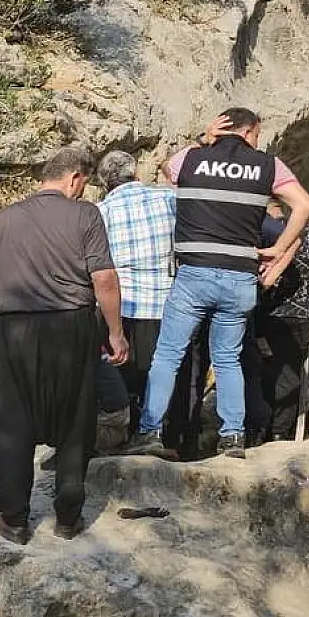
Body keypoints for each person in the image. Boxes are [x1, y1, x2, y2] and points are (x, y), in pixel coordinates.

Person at [125, 108, 309, 460]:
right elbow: (304, 204)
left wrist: (204, 138)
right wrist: (278, 248)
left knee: (167, 355)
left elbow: (168, 168)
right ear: (250, 131)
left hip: (194, 274)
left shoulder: (193, 159)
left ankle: (148, 432)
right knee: (228, 358)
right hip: (240, 277)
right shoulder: (268, 165)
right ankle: (233, 438)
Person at [0, 146, 129, 544]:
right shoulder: (86, 214)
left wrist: (0, 333)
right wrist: (115, 332)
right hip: (71, 326)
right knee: (76, 419)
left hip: (13, 325)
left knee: (11, 423)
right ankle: (68, 518)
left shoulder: (3, 218)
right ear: (75, 178)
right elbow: (104, 278)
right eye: (83, 185)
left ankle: (15, 519)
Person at [95, 150, 200, 444]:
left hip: (122, 307)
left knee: (126, 377)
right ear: (136, 173)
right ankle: (172, 439)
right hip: (166, 303)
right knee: (170, 375)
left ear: (104, 183)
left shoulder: (100, 211)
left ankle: (129, 438)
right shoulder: (166, 199)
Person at [244, 198, 309, 443]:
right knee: (289, 375)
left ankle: (260, 432)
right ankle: (279, 433)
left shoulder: (251, 228)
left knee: (261, 372)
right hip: (295, 313)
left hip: (262, 311)